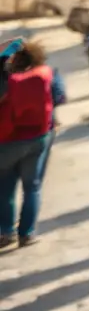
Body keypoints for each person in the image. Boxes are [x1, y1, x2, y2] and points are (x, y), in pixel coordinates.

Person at [0, 38, 66, 248]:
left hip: (7, 141)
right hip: (38, 138)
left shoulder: (4, 77)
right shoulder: (47, 73)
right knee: (32, 186)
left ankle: (5, 232)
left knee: (5, 189)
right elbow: (60, 96)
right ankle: (27, 234)